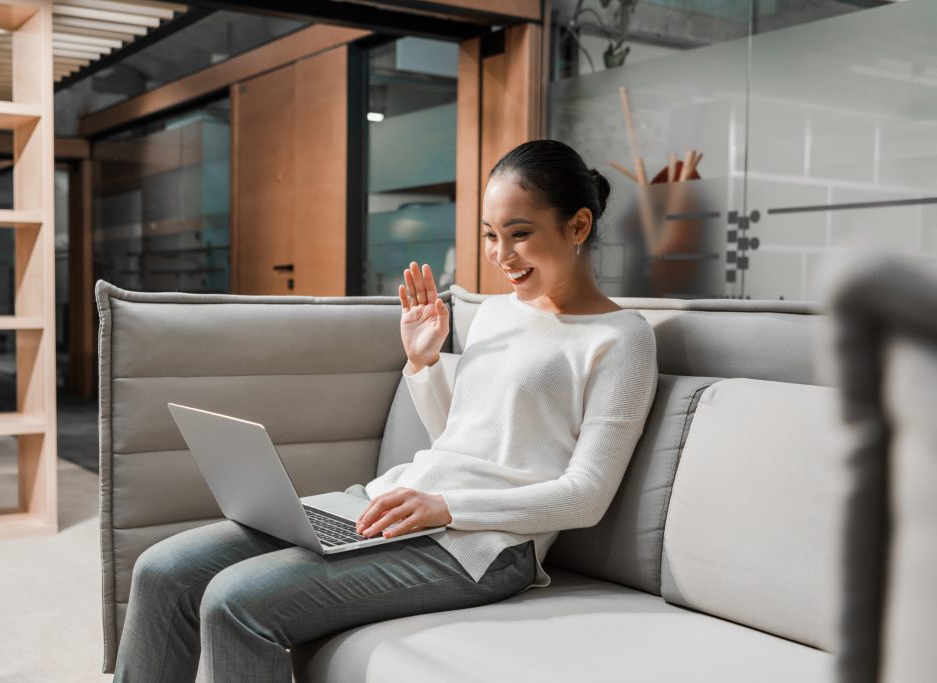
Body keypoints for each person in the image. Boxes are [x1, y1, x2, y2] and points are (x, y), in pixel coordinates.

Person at [112, 139, 659, 682]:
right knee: (163, 570)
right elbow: (464, 436)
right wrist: (422, 363)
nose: (500, 255)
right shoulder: (494, 314)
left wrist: (445, 507)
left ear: (579, 226)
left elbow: (585, 498)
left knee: (235, 602)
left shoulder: (621, 338)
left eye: (519, 234)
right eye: (490, 235)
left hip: (485, 547)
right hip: (395, 505)